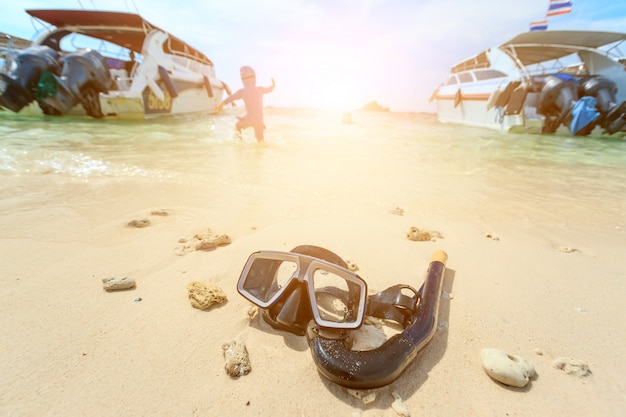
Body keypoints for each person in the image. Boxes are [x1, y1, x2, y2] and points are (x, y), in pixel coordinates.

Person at [216, 66, 275, 142]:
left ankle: (240, 144)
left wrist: (220, 105)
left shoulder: (242, 91)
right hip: (259, 120)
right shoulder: (260, 89)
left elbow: (231, 98)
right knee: (260, 140)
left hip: (249, 118)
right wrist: (273, 85)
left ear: (242, 79)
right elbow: (270, 89)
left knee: (237, 126)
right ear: (254, 78)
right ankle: (261, 153)